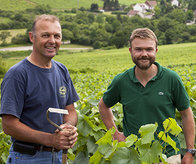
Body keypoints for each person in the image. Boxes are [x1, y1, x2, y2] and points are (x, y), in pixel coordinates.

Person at [98, 28, 195, 164]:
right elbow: (103, 105)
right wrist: (115, 134)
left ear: (156, 50)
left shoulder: (171, 79)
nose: (144, 54)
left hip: (168, 156)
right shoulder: (121, 81)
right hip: (133, 156)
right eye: (138, 49)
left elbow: (186, 114)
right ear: (131, 51)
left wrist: (190, 151)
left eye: (149, 49)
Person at [0, 14, 79, 164]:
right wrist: (51, 139)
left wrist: (67, 128)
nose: (52, 41)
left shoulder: (62, 70)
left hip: (58, 156)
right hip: (28, 157)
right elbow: (9, 125)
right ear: (32, 37)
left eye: (57, 36)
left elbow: (70, 110)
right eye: (45, 35)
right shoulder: (17, 74)